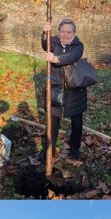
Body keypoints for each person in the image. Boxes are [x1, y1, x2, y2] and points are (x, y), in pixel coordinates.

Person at [40, 17, 89, 160]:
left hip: (74, 90)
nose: (65, 34)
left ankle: (74, 149)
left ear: (74, 33)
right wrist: (45, 33)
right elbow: (45, 44)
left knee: (77, 122)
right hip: (55, 89)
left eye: (69, 32)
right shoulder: (53, 42)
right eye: (63, 31)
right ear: (59, 31)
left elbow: (72, 56)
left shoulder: (78, 46)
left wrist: (55, 59)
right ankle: (48, 150)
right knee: (53, 121)